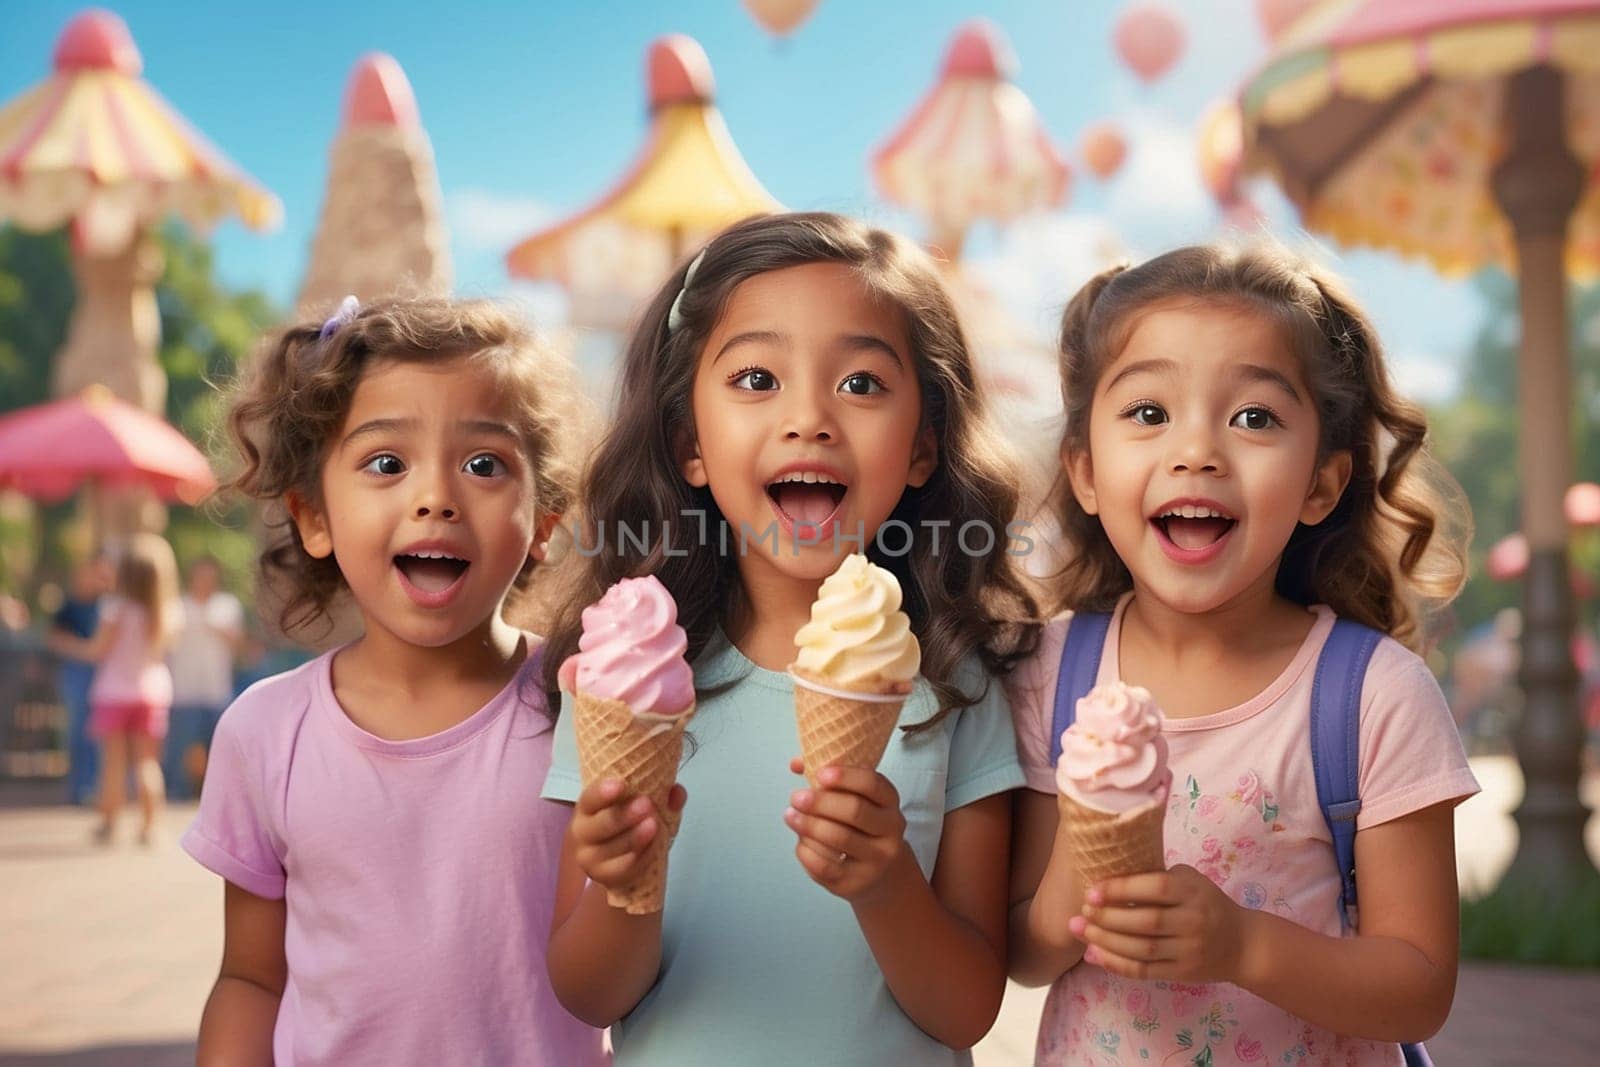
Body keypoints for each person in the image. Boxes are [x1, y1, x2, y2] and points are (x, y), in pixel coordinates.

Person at [540, 212, 1040, 1064]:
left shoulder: (957, 683)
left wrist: (887, 887)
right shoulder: (628, 678)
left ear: (923, 446)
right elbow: (587, 994)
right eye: (757, 377)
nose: (809, 416)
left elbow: (966, 1010)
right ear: (687, 443)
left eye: (862, 384)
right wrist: (626, 886)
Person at [1007, 244, 1480, 1065]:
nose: (1198, 451)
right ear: (1085, 471)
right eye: (1149, 412)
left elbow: (1421, 985)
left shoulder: (1373, 695)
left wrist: (1245, 947)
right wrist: (1062, 903)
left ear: (1320, 485)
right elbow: (1018, 951)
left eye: (1254, 417)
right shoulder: (1049, 674)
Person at [182, 297, 603, 1065]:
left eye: (484, 464)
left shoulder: (586, 704)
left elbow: (613, 971)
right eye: (386, 463)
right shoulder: (265, 732)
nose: (434, 495)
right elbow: (250, 976)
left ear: (543, 519)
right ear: (314, 517)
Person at [62, 535, 179, 845]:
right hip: (152, 692)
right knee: (147, 762)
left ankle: (109, 824)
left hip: (114, 693)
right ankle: (150, 826)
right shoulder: (166, 613)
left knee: (112, 764)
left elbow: (97, 651)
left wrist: (68, 644)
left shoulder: (114, 609)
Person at [164, 555, 244, 798]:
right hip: (183, 689)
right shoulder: (176, 606)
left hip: (217, 690)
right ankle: (176, 794)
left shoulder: (227, 606)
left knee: (218, 750)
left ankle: (217, 797)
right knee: (180, 748)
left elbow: (239, 645)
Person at [46, 553, 114, 804]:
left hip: (106, 676)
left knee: (102, 735)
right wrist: (83, 650)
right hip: (78, 674)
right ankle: (80, 788)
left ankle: (100, 788)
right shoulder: (72, 605)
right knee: (78, 731)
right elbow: (54, 638)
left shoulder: (110, 605)